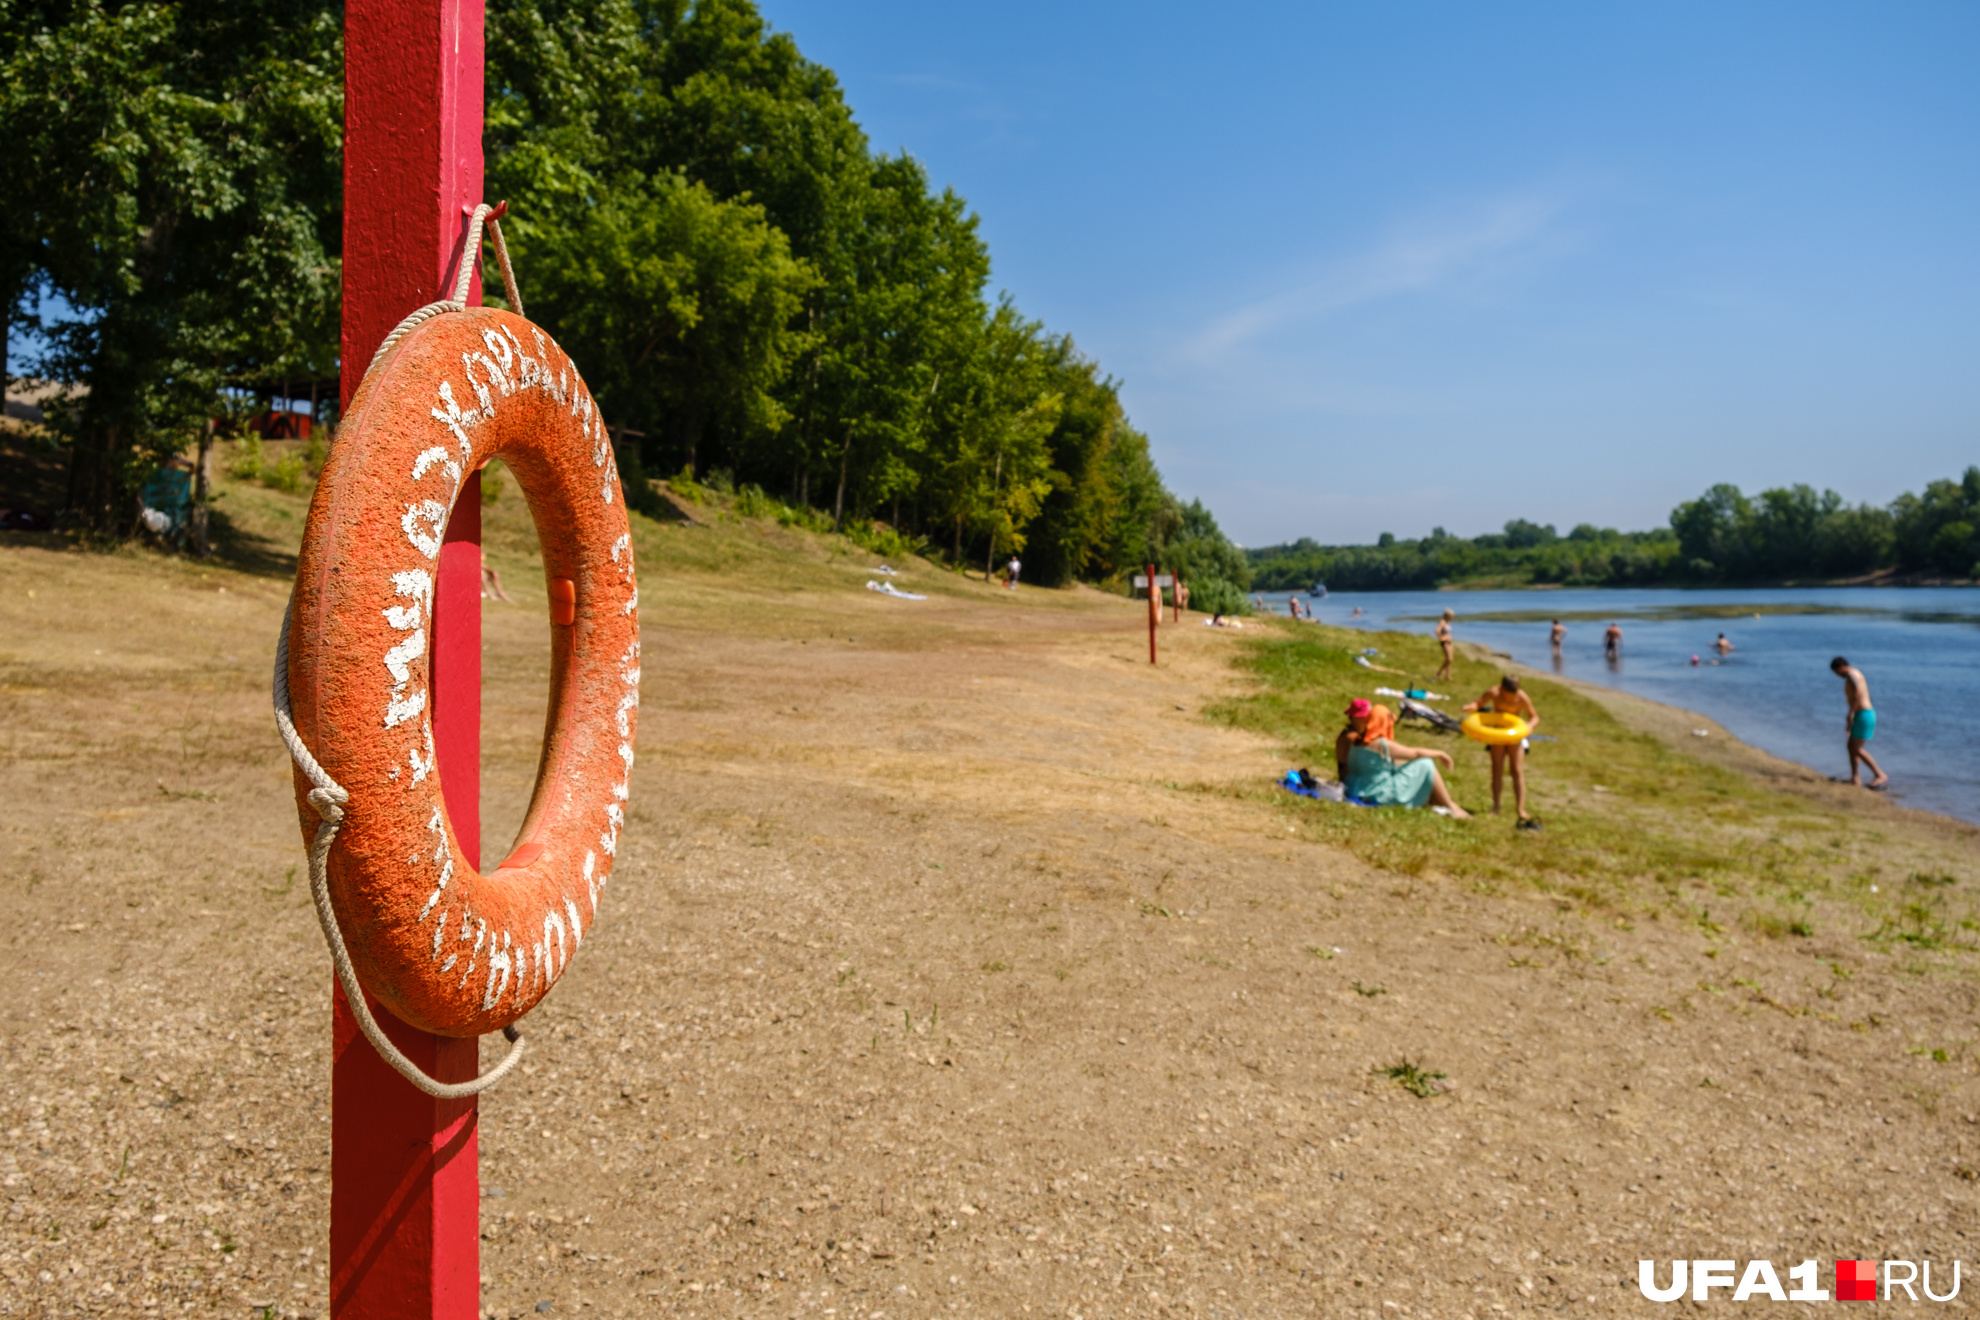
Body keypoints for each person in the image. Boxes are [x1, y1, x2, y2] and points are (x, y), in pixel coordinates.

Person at [1334, 698, 1471, 817]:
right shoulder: (1377, 744)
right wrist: (1440, 753)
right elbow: (1415, 753)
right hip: (1375, 792)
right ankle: (1451, 807)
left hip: (1356, 788)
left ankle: (1449, 806)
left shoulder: (1358, 741)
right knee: (1426, 764)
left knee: (1416, 770)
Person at [1463, 675, 1541, 828]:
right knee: (1496, 769)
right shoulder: (1494, 692)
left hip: (1515, 737)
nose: (1510, 699)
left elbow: (1534, 717)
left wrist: (1530, 726)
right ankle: (1496, 807)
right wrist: (1472, 706)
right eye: (1507, 696)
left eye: (1513, 696)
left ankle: (1520, 809)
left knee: (1516, 771)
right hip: (1498, 734)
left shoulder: (1521, 697)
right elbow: (1478, 703)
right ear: (1501, 689)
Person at [1830, 656, 1888, 788]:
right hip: (1863, 713)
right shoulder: (1855, 673)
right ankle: (1855, 778)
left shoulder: (1851, 675)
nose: (1837, 675)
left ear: (1841, 667)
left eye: (1836, 672)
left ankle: (1879, 774)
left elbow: (1857, 693)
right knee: (1851, 747)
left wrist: (1851, 713)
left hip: (1863, 714)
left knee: (1856, 748)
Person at [1434, 609, 1456, 681]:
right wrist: (1443, 638)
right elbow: (1437, 631)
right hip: (1445, 642)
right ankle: (1438, 673)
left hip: (1449, 642)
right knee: (1449, 659)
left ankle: (1447, 676)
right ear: (1447, 615)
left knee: (1449, 660)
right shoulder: (1442, 622)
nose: (1452, 617)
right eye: (1451, 616)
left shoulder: (1447, 623)